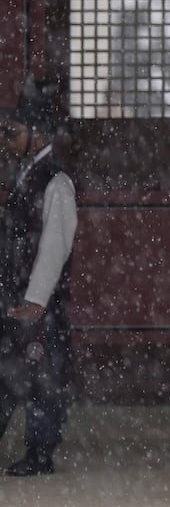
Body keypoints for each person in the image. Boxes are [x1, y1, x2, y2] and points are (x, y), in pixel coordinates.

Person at [0, 77, 77, 478]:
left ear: (38, 133)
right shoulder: (25, 177)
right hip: (15, 295)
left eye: (13, 132)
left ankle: (40, 452)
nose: (7, 140)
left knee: (43, 379)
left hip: (39, 305)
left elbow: (53, 246)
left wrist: (36, 299)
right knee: (9, 372)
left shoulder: (55, 183)